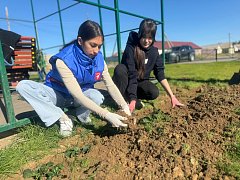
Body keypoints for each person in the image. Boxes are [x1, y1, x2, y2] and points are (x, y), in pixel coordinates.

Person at [16, 20, 131, 137]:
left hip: (77, 97)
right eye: (93, 45)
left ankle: (81, 115)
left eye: (100, 46)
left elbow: (110, 85)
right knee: (23, 86)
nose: (96, 51)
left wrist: (124, 106)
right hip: (58, 95)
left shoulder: (99, 59)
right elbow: (78, 95)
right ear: (80, 41)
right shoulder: (64, 60)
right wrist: (106, 114)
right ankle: (63, 118)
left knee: (97, 96)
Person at [112, 18, 184, 113]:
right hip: (126, 79)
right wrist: (133, 99)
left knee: (153, 92)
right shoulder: (131, 47)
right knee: (120, 69)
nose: (146, 41)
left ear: (153, 38)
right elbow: (132, 73)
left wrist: (172, 96)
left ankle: (131, 97)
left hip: (139, 82)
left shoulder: (154, 52)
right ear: (139, 35)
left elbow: (160, 74)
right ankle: (122, 100)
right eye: (144, 37)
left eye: (150, 38)